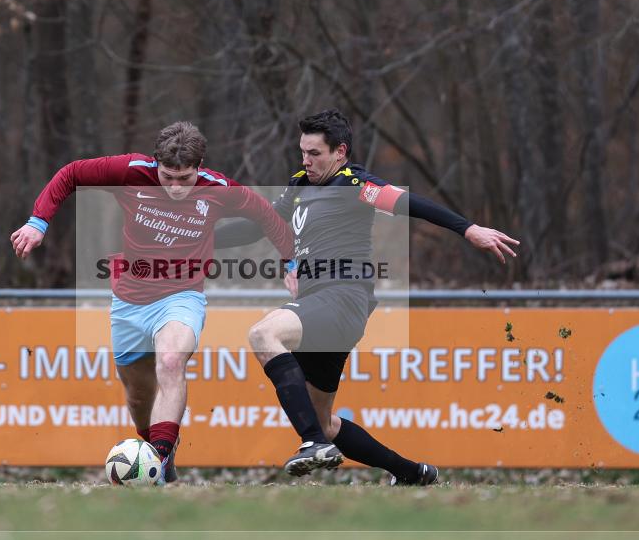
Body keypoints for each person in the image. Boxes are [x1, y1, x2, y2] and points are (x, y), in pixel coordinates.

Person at [215, 109, 519, 484]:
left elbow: (410, 203)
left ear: (339, 152)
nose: (306, 161)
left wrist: (468, 228)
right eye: (303, 152)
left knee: (263, 335)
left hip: (342, 297)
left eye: (315, 153)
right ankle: (412, 472)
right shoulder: (299, 186)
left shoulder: (353, 183)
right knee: (324, 422)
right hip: (320, 305)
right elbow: (259, 225)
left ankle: (311, 444)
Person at [11, 121, 293, 483]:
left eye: (185, 178)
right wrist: (38, 221)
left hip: (182, 295)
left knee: (172, 360)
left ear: (200, 166)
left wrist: (292, 261)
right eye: (167, 177)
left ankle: (158, 461)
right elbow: (70, 174)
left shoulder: (219, 190)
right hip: (129, 301)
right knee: (139, 399)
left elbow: (267, 216)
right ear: (155, 163)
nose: (176, 187)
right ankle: (159, 453)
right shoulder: (130, 172)